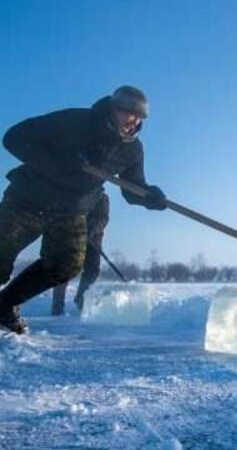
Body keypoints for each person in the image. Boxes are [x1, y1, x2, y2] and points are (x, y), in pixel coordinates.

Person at [0, 86, 167, 334]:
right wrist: (58, 162)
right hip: (28, 200)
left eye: (140, 117)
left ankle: (4, 304)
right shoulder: (75, 121)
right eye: (128, 113)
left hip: (71, 210)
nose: (134, 121)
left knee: (66, 265)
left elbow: (132, 189)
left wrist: (149, 197)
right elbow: (14, 137)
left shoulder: (132, 149)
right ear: (113, 109)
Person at [50, 191, 110, 315]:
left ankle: (81, 298)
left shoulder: (101, 197)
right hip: (70, 237)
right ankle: (57, 304)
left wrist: (92, 231)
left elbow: (103, 218)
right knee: (64, 270)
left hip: (93, 239)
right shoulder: (71, 191)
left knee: (92, 270)